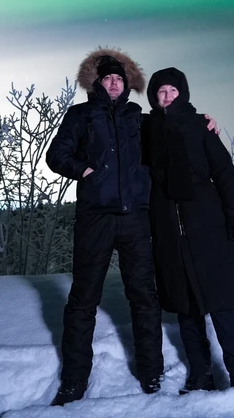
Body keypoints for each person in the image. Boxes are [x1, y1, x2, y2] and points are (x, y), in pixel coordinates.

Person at [45, 48, 163, 406]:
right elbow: (56, 155)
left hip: (134, 218)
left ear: (126, 85)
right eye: (108, 78)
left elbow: (174, 135)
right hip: (95, 218)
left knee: (144, 296)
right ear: (98, 83)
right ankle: (74, 380)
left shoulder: (139, 118)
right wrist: (85, 170)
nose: (114, 83)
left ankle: (151, 371)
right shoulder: (80, 115)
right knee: (83, 300)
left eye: (119, 79)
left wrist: (205, 120)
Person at [143, 67, 234, 394]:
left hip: (208, 226)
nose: (167, 97)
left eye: (172, 91)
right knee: (186, 308)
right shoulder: (147, 130)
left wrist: (233, 212)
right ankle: (200, 376)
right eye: (161, 92)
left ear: (183, 93)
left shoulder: (200, 126)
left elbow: (223, 171)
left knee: (225, 304)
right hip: (169, 231)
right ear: (154, 96)